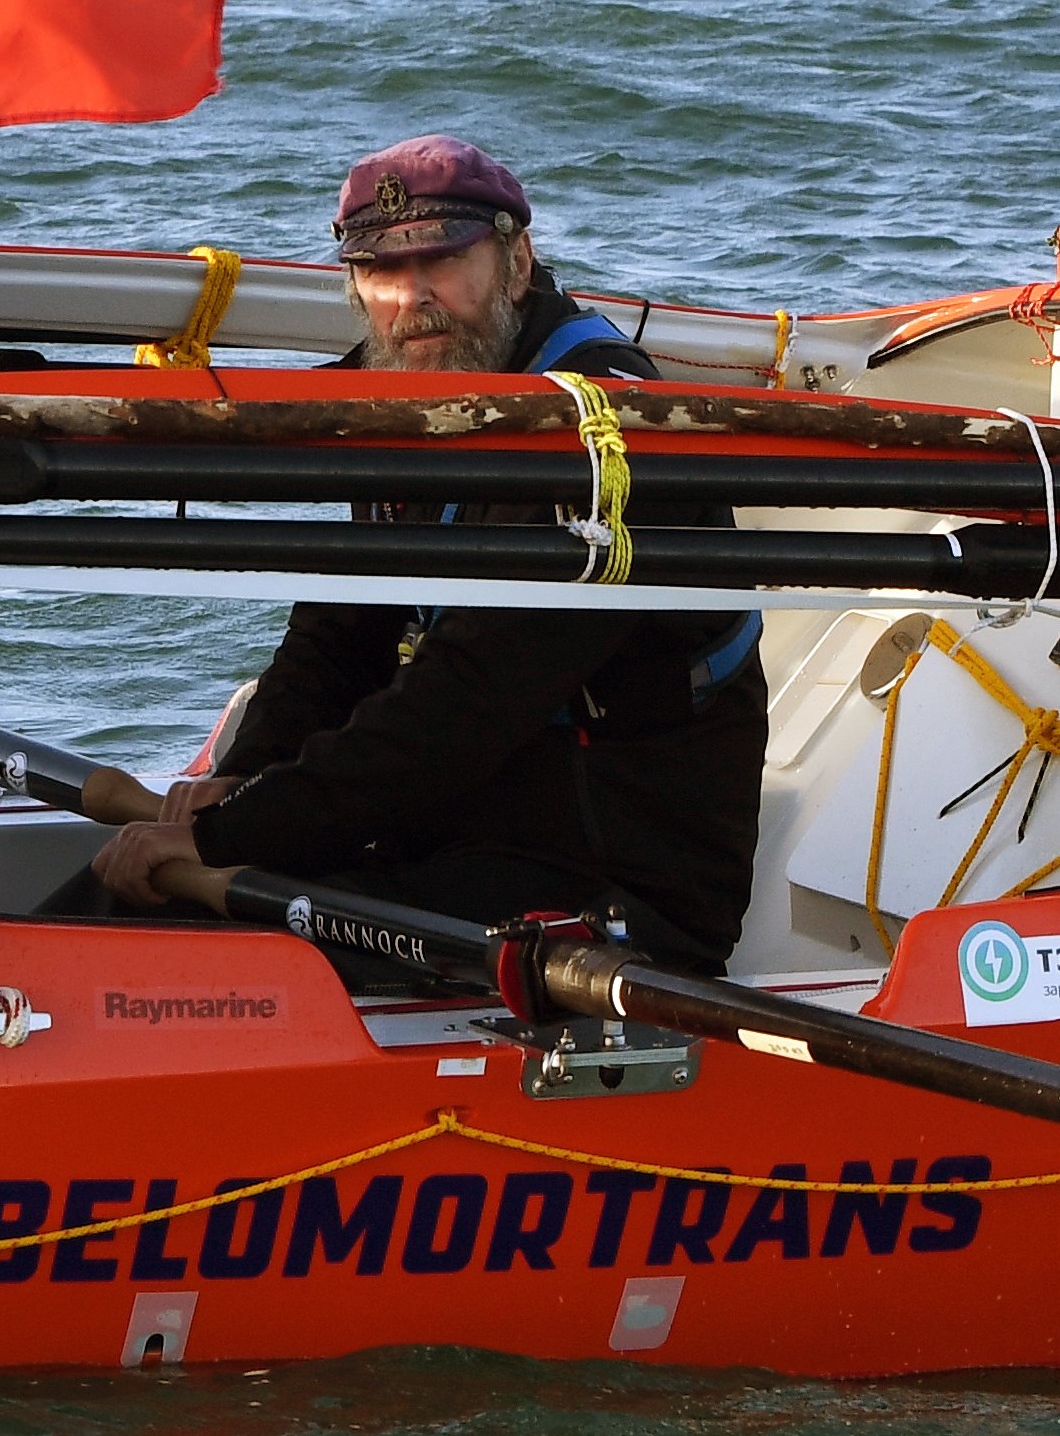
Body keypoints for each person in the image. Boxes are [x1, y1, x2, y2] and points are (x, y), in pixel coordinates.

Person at [80, 136, 769, 975]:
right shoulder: (407, 395)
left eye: (444, 263)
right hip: (448, 833)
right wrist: (247, 781)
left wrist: (225, 835)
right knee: (104, 911)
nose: (414, 301)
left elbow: (464, 706)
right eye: (382, 273)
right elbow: (339, 635)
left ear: (516, 262)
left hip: (612, 884)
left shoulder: (604, 434)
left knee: (194, 962)